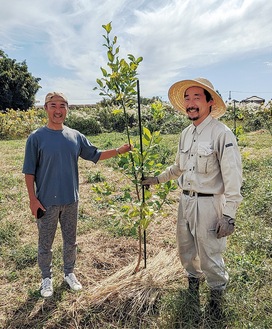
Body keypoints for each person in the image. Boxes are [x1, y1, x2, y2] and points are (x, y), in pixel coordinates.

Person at [142, 78, 243, 316]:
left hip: (209, 203)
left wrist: (229, 215)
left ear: (209, 101)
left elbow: (233, 177)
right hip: (185, 201)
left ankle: (217, 296)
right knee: (185, 249)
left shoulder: (222, 133)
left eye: (197, 97)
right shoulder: (186, 134)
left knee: (209, 253)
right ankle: (192, 283)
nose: (191, 103)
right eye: (187, 98)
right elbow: (178, 168)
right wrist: (156, 179)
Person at [22, 92, 132, 298]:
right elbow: (29, 171)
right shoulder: (36, 138)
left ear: (67, 109)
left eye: (62, 105)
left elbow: (96, 155)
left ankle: (69, 273)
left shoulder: (75, 136)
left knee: (70, 241)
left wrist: (119, 150)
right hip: (46, 202)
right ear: (45, 108)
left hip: (71, 200)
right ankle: (46, 278)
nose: (58, 110)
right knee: (45, 243)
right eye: (53, 105)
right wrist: (32, 199)